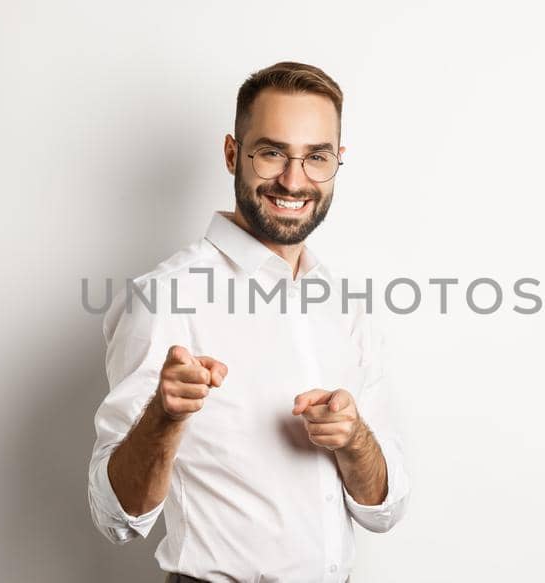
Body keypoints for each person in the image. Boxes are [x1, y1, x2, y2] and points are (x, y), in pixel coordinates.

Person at [86, 61, 411, 583]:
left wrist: (355, 442)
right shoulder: (164, 296)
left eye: (316, 157)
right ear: (234, 154)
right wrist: (163, 418)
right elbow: (116, 517)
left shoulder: (343, 304)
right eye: (272, 152)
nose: (293, 179)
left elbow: (383, 509)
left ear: (337, 162)